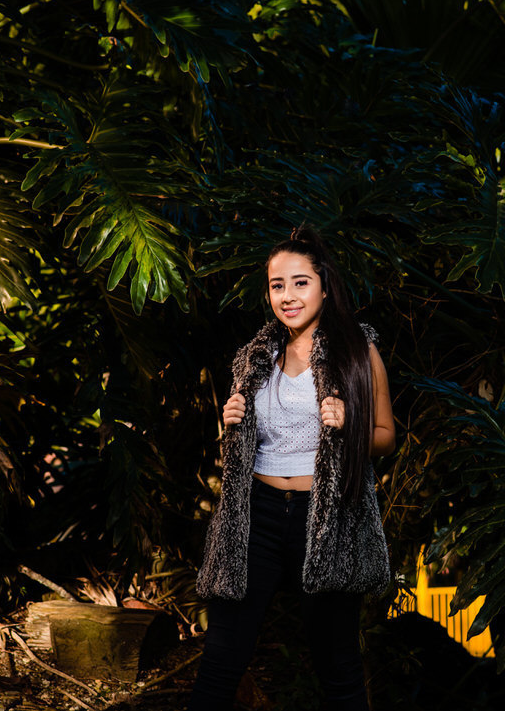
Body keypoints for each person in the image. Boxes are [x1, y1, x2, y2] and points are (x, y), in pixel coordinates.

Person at [190, 228, 396, 710]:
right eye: (277, 285)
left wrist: (352, 423)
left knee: (337, 662)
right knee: (222, 657)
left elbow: (387, 436)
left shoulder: (357, 352)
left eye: (300, 283)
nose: (288, 296)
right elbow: (244, 449)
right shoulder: (255, 359)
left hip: (324, 518)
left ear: (324, 286)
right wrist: (232, 423)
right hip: (254, 516)